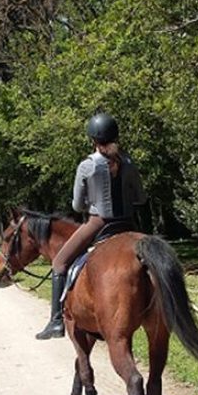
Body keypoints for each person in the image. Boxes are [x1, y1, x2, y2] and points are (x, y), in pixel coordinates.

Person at [35, 112, 147, 340]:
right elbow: (141, 198)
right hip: (128, 224)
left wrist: (90, 202)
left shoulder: (87, 166)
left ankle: (56, 321)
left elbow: (77, 205)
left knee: (59, 262)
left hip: (98, 223)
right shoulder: (129, 163)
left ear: (93, 139)